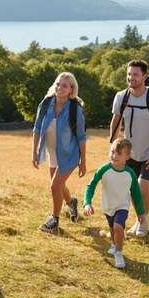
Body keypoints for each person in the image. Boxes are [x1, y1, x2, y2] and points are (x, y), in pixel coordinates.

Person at [109, 60, 149, 237]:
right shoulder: (121, 97)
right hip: (129, 153)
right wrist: (113, 147)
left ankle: (142, 220)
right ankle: (140, 218)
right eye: (129, 74)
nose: (131, 78)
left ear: (144, 76)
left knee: (141, 188)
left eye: (135, 75)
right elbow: (115, 122)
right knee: (132, 190)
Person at [32, 72, 87, 233]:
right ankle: (71, 203)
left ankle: (54, 220)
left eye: (64, 85)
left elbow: (82, 137)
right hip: (52, 151)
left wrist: (83, 161)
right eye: (58, 84)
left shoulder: (75, 109)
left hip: (69, 154)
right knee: (59, 186)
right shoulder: (45, 104)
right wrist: (34, 152)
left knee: (55, 186)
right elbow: (36, 128)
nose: (60, 88)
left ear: (71, 89)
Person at [83, 138, 145, 269]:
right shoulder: (104, 169)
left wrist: (140, 212)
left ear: (127, 156)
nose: (114, 155)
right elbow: (91, 185)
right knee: (112, 228)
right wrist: (87, 203)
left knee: (118, 227)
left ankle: (119, 252)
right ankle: (113, 243)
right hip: (108, 206)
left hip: (122, 206)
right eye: (112, 152)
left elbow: (136, 194)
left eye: (118, 153)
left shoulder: (130, 174)